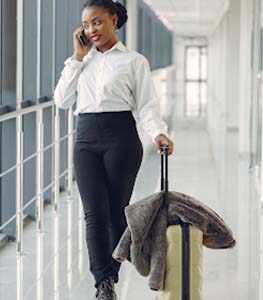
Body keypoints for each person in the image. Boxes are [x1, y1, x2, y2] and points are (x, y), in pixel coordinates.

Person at [54, 0, 174, 299]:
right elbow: (62, 101)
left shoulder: (134, 61)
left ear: (114, 20)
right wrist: (77, 58)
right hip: (86, 139)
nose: (91, 29)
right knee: (94, 213)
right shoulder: (80, 62)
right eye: (86, 24)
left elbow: (146, 105)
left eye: (97, 22)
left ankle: (115, 266)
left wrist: (159, 133)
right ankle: (103, 282)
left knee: (116, 213)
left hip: (121, 138)